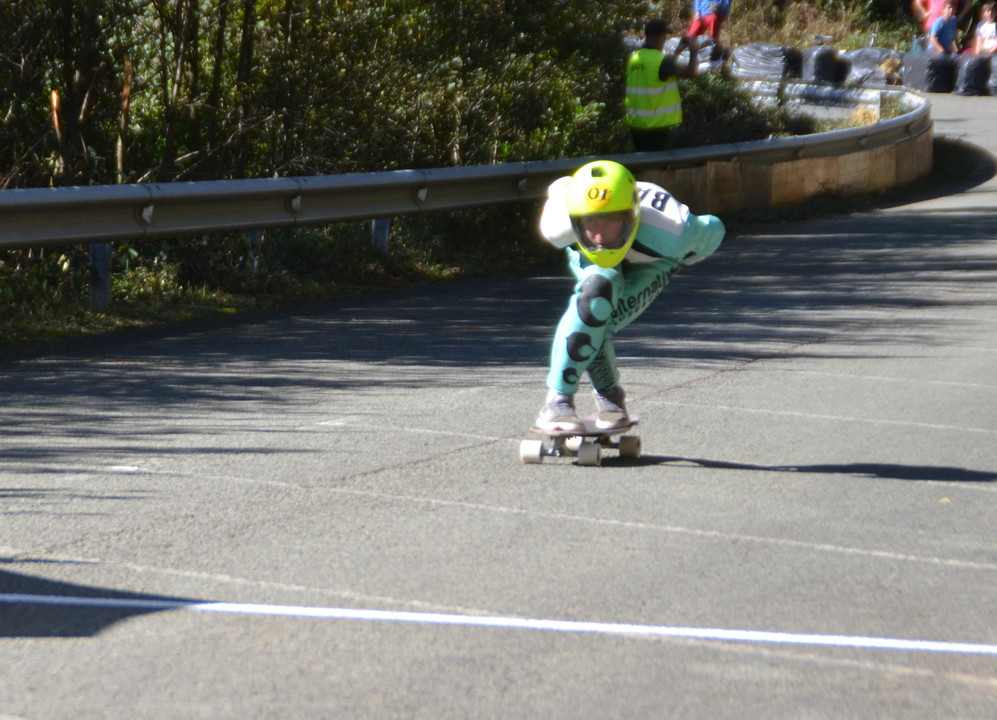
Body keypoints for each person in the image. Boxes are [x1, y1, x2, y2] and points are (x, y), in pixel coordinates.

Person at [534, 160, 725, 432]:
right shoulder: (557, 224)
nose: (599, 235)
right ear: (575, 220)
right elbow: (558, 190)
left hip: (653, 258)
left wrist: (683, 257)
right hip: (593, 260)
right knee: (596, 301)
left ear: (631, 216)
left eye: (611, 220)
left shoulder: (674, 231)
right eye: (590, 221)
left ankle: (607, 396)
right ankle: (559, 401)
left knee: (598, 320)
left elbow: (715, 230)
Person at [625, 19, 698, 152]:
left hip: (636, 124)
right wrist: (694, 51)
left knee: (642, 160)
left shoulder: (634, 58)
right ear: (660, 36)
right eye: (665, 36)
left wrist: (677, 52)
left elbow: (659, 72)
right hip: (656, 125)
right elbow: (691, 72)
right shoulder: (661, 61)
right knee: (655, 162)